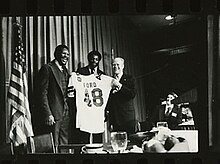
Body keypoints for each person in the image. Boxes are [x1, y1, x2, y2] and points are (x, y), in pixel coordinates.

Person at [37, 45, 71, 148]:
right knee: (53, 145)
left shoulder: (66, 70)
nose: (66, 57)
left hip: (65, 113)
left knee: (64, 144)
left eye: (68, 54)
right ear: (56, 54)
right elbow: (42, 93)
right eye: (64, 54)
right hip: (53, 114)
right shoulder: (47, 68)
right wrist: (48, 114)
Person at [72, 50, 105, 143]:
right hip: (85, 109)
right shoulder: (81, 71)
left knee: (97, 135)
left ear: (99, 61)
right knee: (84, 134)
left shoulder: (102, 75)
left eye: (96, 59)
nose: (94, 61)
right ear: (88, 60)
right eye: (92, 59)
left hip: (97, 110)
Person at [107, 57, 137, 136]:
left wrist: (120, 86)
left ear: (123, 66)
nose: (115, 67)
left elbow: (132, 94)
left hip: (127, 119)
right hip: (115, 119)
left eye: (118, 64)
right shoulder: (109, 80)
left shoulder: (130, 78)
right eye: (113, 65)